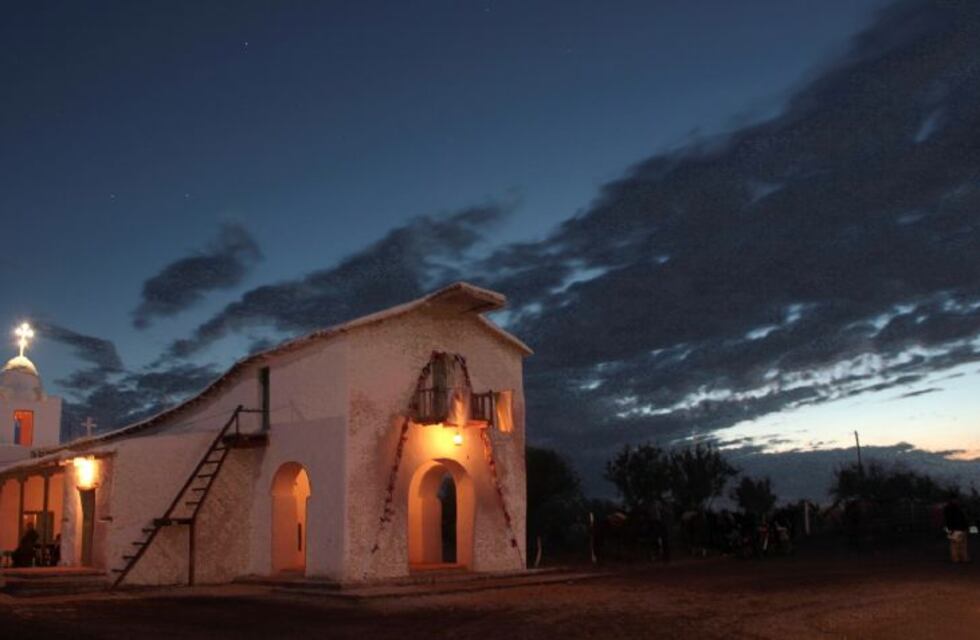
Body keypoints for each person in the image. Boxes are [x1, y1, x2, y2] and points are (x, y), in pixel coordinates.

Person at [943, 496, 970, 563]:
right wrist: (951, 529)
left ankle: (961, 558)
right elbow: (949, 519)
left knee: (960, 544)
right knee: (956, 545)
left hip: (959, 528)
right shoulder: (952, 508)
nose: (957, 501)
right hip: (956, 528)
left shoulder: (955, 508)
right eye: (956, 499)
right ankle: (958, 558)